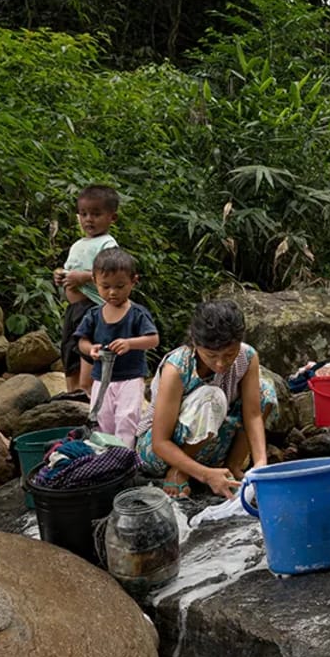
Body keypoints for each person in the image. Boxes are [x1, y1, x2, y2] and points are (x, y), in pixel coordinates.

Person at [138, 299, 278, 499]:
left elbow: (253, 414)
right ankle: (180, 471)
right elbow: (159, 443)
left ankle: (233, 466)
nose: (221, 363)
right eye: (211, 355)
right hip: (160, 454)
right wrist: (205, 475)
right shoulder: (177, 367)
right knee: (211, 397)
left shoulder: (247, 357)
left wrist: (260, 463)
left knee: (265, 391)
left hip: (210, 445)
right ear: (195, 343)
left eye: (230, 354)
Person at [75, 249, 159, 446]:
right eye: (105, 286)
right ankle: (104, 455)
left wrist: (130, 343)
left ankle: (124, 455)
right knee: (101, 417)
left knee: (127, 417)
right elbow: (81, 341)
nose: (112, 292)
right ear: (94, 281)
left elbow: (153, 339)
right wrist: (91, 350)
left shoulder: (137, 313)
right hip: (101, 378)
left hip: (130, 377)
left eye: (120, 286)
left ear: (133, 281)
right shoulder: (94, 314)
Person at [53, 185, 119, 391]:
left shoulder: (107, 244)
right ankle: (71, 393)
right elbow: (69, 270)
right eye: (84, 214)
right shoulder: (78, 244)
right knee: (69, 349)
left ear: (112, 218)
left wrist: (83, 277)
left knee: (87, 349)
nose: (89, 219)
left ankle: (87, 391)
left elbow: (113, 273)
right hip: (74, 310)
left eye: (96, 214)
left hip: (93, 308)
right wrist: (60, 276)